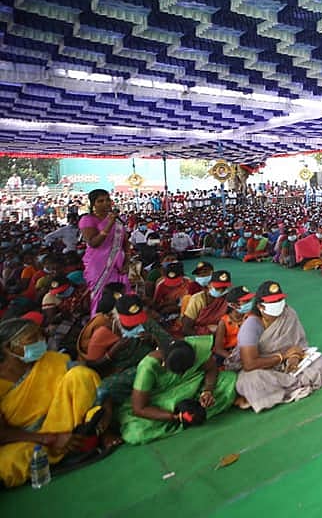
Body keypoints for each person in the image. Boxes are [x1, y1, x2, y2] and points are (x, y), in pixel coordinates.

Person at [0, 318, 117, 487]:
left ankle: (83, 441)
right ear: (8, 348)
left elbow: (95, 386)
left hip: (69, 427)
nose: (41, 341)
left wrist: (106, 420)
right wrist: (49, 439)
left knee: (80, 375)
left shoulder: (53, 360)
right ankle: (71, 450)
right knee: (8, 462)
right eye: (32, 339)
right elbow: (2, 434)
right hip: (31, 438)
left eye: (41, 335)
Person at [234, 281, 322, 413]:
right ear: (260, 306)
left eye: (280, 299)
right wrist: (282, 357)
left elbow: (297, 343)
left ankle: (284, 388)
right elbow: (249, 364)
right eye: (273, 302)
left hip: (287, 363)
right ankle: (295, 385)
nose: (279, 304)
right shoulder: (251, 325)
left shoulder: (288, 313)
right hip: (262, 367)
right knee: (253, 382)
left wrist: (293, 358)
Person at [119, 336, 236, 445]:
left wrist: (208, 391)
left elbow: (211, 369)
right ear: (164, 363)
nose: (182, 374)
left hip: (194, 385)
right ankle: (188, 416)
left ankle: (194, 412)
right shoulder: (148, 366)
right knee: (136, 431)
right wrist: (174, 417)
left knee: (230, 380)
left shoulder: (197, 347)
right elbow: (139, 408)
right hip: (163, 400)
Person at [79, 189, 130, 318]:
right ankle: (99, 322)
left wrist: (127, 262)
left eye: (107, 200)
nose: (106, 203)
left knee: (121, 294)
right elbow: (93, 243)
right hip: (98, 265)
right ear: (93, 204)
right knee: (102, 295)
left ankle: (123, 323)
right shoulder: (87, 219)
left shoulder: (118, 221)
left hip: (118, 265)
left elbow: (125, 243)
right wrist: (109, 224)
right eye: (100, 201)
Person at [181, 270, 232, 336]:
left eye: (224, 288)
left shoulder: (228, 298)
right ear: (209, 285)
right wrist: (207, 330)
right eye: (217, 288)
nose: (221, 290)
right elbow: (186, 329)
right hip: (199, 336)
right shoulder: (197, 299)